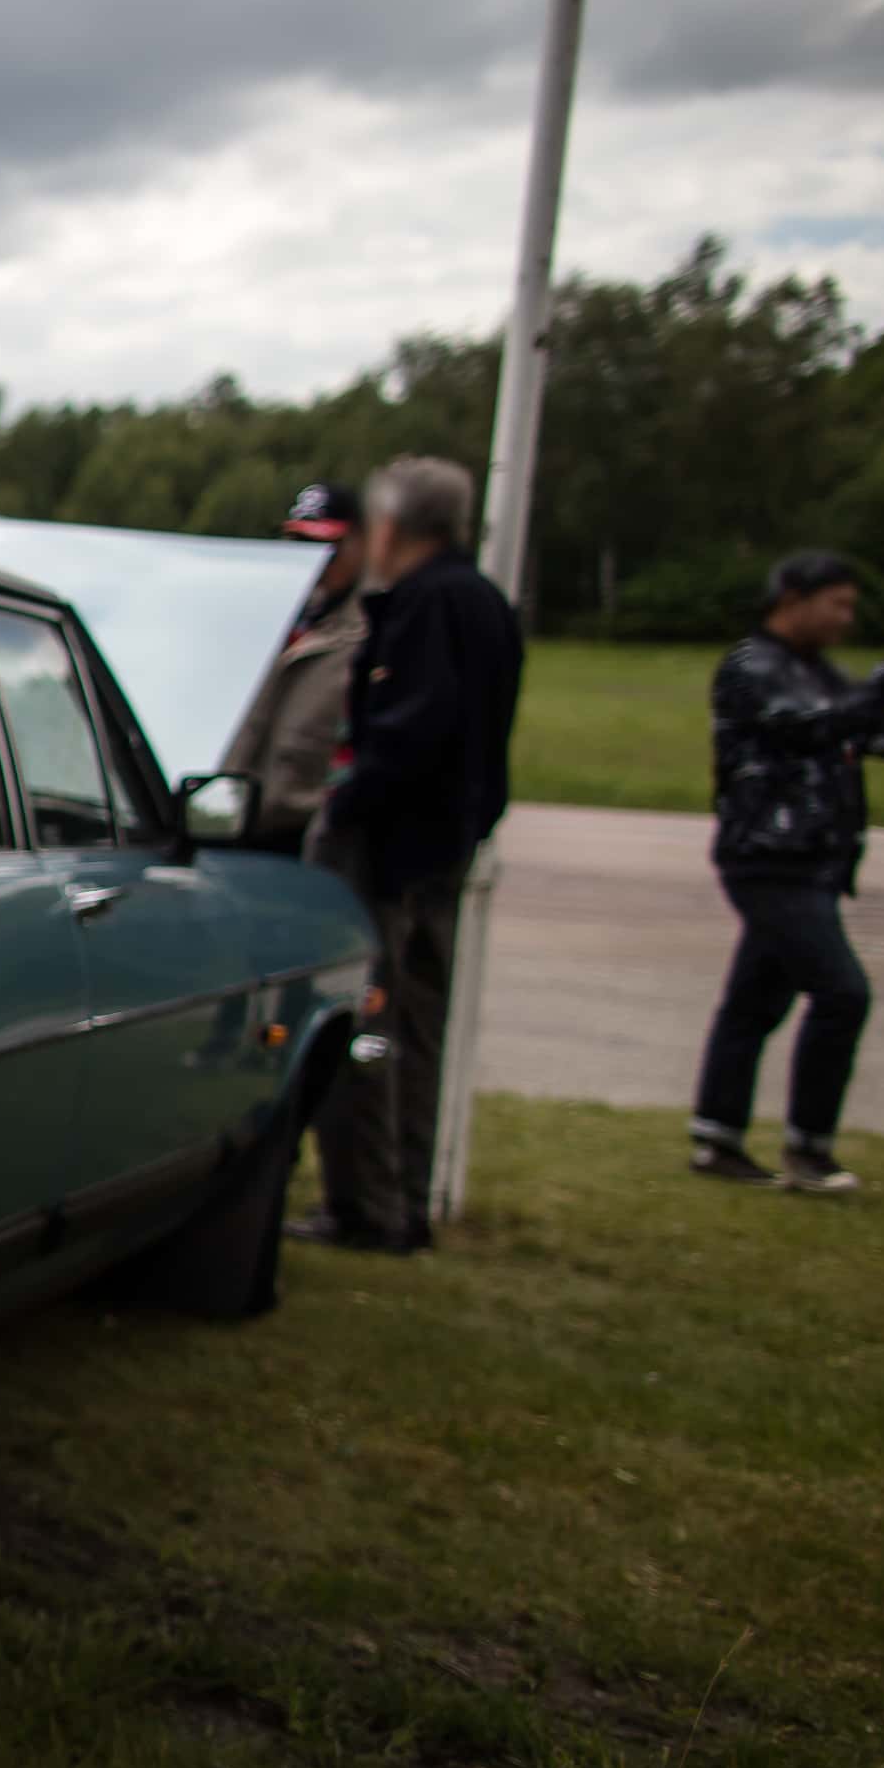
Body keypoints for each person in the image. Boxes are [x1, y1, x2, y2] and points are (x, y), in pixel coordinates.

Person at [289, 455, 522, 1254]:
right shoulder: (486, 603)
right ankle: (405, 1199)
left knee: (366, 1029)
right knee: (416, 1030)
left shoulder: (424, 606)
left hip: (389, 855)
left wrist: (345, 806)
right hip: (443, 850)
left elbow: (410, 732)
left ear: (388, 528)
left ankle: (367, 1205)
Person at [685, 558, 884, 1193]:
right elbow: (818, 725)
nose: (846, 618)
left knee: (755, 1002)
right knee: (842, 994)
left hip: (815, 861)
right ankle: (810, 1152)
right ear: (793, 598)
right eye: (836, 604)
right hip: (769, 858)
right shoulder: (752, 666)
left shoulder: (818, 672)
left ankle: (716, 1139)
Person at [215, 481, 371, 849]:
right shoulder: (266, 614)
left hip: (305, 831)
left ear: (360, 545)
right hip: (234, 820)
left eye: (326, 547)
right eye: (300, 544)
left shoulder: (371, 633)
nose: (313, 560)